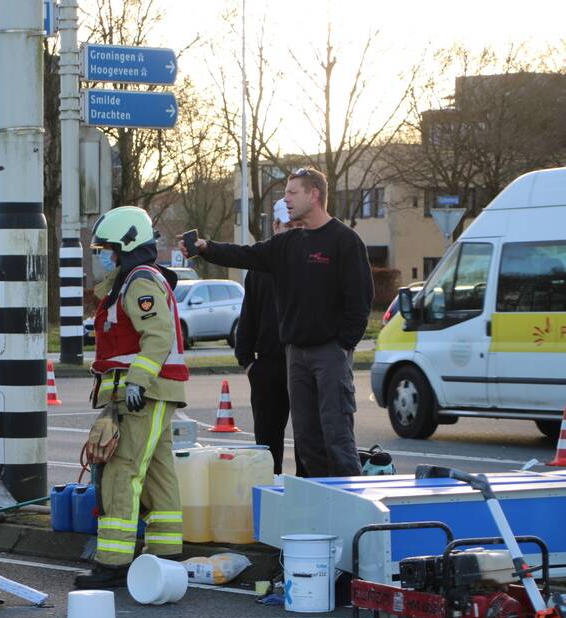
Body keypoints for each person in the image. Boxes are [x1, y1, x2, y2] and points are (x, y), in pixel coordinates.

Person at [180, 169, 373, 477]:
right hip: (294, 355)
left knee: (336, 436)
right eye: (285, 193)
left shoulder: (345, 241)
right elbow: (243, 254)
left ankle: (353, 510)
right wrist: (205, 247)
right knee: (307, 440)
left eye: (292, 193)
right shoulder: (288, 244)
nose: (285, 199)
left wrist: (341, 346)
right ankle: (315, 510)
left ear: (314, 195)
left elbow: (360, 301)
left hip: (329, 354)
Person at [75, 206, 189, 589]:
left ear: (125, 246)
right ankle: (164, 556)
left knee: (123, 470)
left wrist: (138, 381)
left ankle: (113, 563)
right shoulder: (129, 282)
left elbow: (157, 336)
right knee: (157, 472)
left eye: (105, 248)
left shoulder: (139, 282)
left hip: (143, 393)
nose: (101, 255)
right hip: (147, 391)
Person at [234, 198, 304, 476]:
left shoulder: (311, 264)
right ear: (275, 226)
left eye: (300, 225)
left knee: (307, 440)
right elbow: (248, 315)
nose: (295, 231)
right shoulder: (260, 269)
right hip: (268, 367)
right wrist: (248, 362)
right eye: (289, 225)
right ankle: (269, 494)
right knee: (266, 445)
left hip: (304, 362)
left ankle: (304, 495)